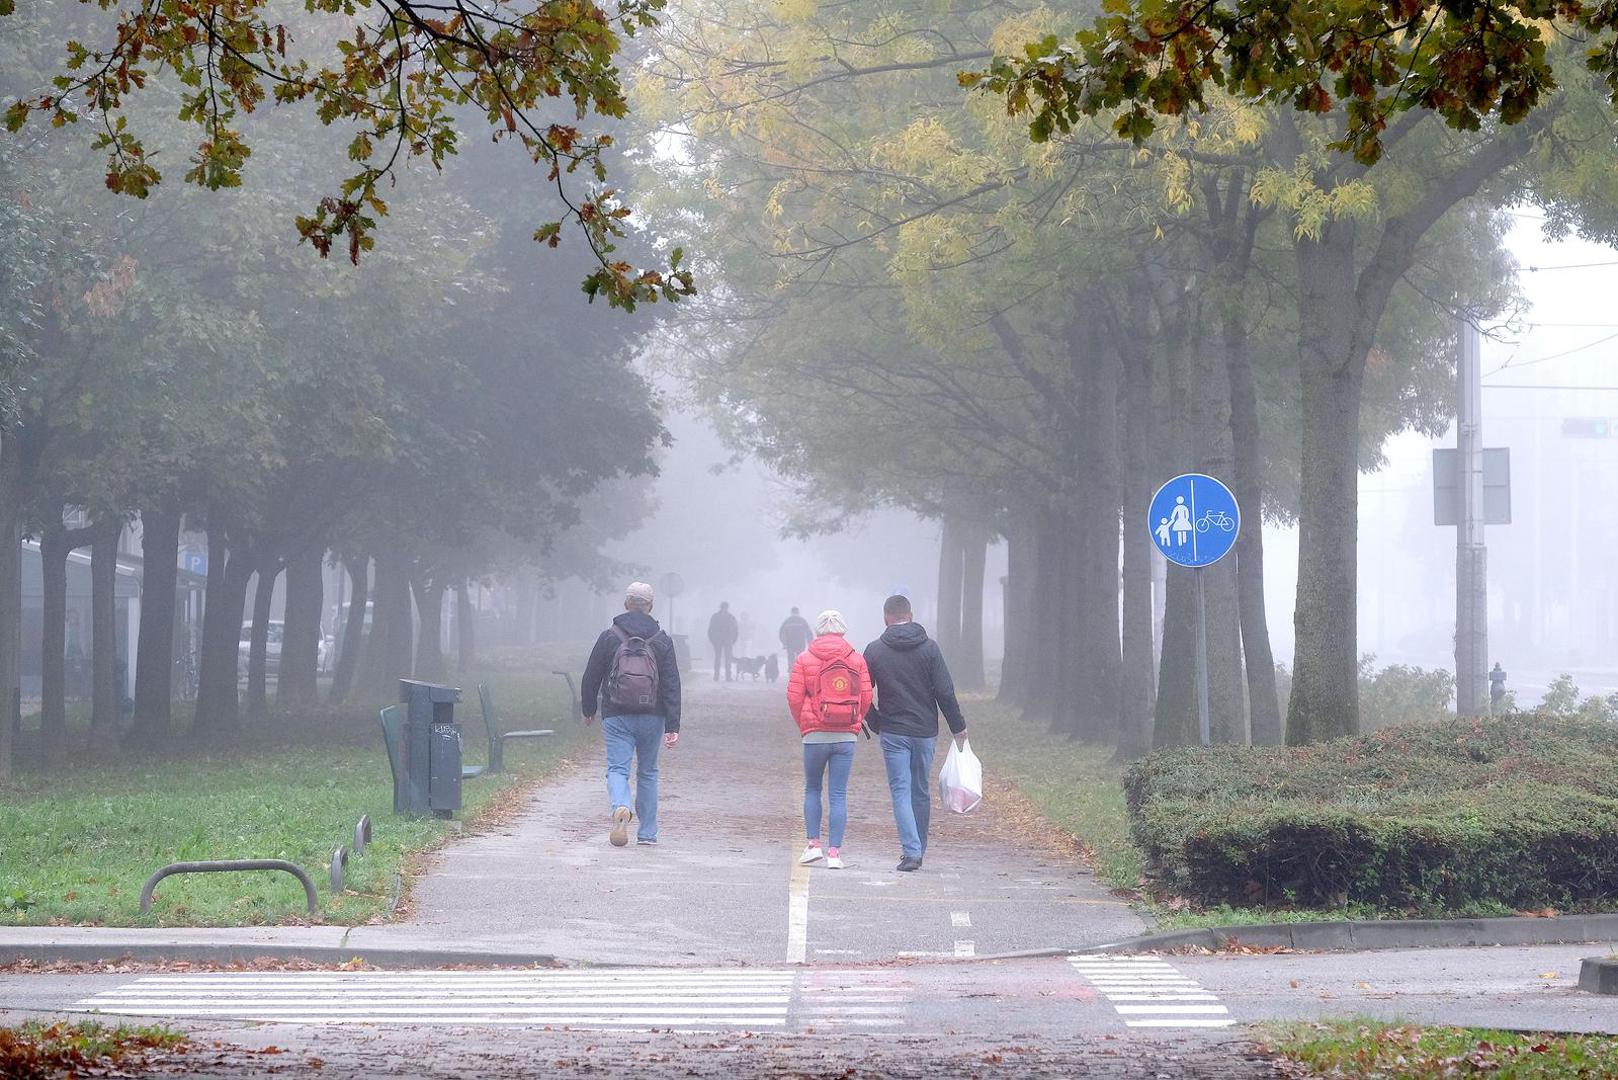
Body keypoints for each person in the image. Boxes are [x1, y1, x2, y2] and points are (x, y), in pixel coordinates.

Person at [863, 594, 966, 872]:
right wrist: (958, 727)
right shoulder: (930, 649)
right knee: (920, 790)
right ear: (911, 614)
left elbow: (861, 692)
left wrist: (875, 721)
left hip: (894, 730)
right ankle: (918, 847)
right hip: (924, 731)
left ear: (886, 617)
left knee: (900, 790)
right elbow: (944, 691)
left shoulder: (874, 650)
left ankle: (912, 851)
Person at [581, 582, 682, 847]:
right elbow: (672, 683)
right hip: (653, 714)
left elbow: (591, 675)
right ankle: (647, 833)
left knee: (617, 768)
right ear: (650, 606)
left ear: (626, 604)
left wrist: (589, 708)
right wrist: (673, 724)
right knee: (648, 772)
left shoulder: (610, 636)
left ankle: (621, 807)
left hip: (616, 714)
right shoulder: (661, 640)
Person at [786, 610, 872, 871]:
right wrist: (854, 723)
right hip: (846, 736)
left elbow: (794, 697)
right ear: (842, 630)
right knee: (838, 794)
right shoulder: (856, 659)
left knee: (812, 789)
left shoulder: (804, 658)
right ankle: (835, 853)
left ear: (818, 630)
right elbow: (866, 697)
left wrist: (805, 724)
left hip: (814, 735)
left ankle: (814, 846)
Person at [707, 600, 739, 682]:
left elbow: (710, 630)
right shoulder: (730, 617)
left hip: (722, 641)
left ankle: (720, 676)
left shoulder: (715, 617)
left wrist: (712, 640)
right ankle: (722, 676)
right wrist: (733, 640)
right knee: (723, 658)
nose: (724, 609)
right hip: (724, 641)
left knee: (723, 658)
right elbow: (735, 630)